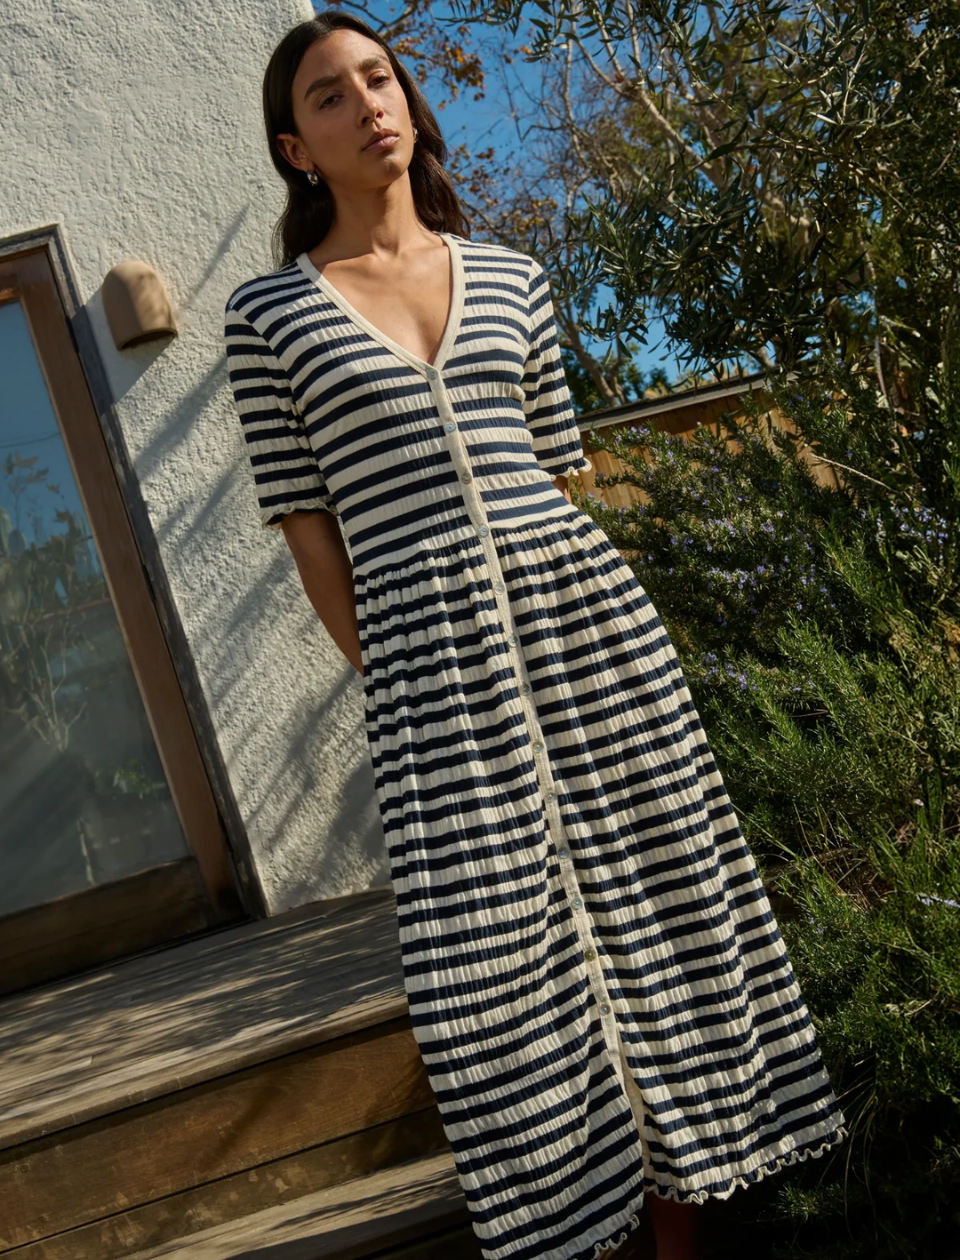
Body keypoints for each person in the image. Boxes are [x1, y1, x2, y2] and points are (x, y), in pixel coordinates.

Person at [223, 12, 847, 1260]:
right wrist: (408, 676)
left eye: (378, 79)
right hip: (436, 683)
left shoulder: (512, 278)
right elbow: (312, 543)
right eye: (331, 99)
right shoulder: (269, 319)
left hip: (592, 649)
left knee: (658, 915)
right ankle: (583, 1229)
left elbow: (558, 489)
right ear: (298, 148)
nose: (368, 105)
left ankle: (686, 1231)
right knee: (495, 985)